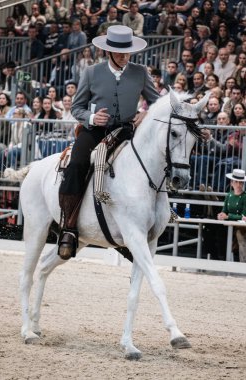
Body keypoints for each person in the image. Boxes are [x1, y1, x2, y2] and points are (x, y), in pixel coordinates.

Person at [58, 25, 159, 260]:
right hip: (94, 130)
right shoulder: (91, 73)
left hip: (125, 131)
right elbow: (76, 108)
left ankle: (135, 230)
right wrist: (92, 117)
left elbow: (157, 103)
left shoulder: (140, 72)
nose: (125, 57)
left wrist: (144, 114)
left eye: (128, 53)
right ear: (108, 52)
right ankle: (69, 227)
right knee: (76, 164)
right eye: (120, 53)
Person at [217, 169, 246, 263]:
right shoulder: (229, 195)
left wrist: (228, 216)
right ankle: (244, 265)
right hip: (236, 227)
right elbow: (224, 211)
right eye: (236, 182)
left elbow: (244, 217)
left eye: (241, 183)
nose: (238, 185)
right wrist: (221, 215)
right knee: (238, 234)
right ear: (232, 183)